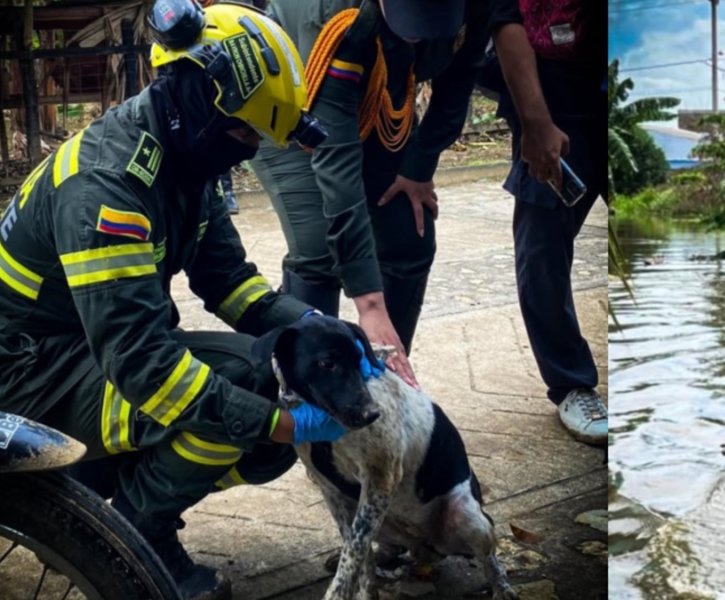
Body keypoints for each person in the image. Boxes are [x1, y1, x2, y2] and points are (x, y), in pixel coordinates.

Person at [0, 4, 350, 599]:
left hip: (88, 353)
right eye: (245, 132)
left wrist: (322, 332)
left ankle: (114, 481)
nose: (248, 149)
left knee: (274, 392)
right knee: (251, 392)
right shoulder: (108, 189)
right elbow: (144, 367)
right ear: (202, 100)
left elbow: (229, 281)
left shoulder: (184, 161)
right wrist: (279, 423)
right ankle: (138, 529)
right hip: (32, 374)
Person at [250, 0, 489, 387]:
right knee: (319, 250)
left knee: (411, 236)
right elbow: (336, 160)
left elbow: (460, 77)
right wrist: (370, 303)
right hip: (292, 110)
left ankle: (384, 374)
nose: (419, 34)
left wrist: (417, 169)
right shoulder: (337, 15)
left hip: (378, 103)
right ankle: (309, 391)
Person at [488, 0, 607, 446]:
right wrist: (535, 123)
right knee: (542, 249)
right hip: (554, 93)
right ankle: (571, 383)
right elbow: (506, 18)